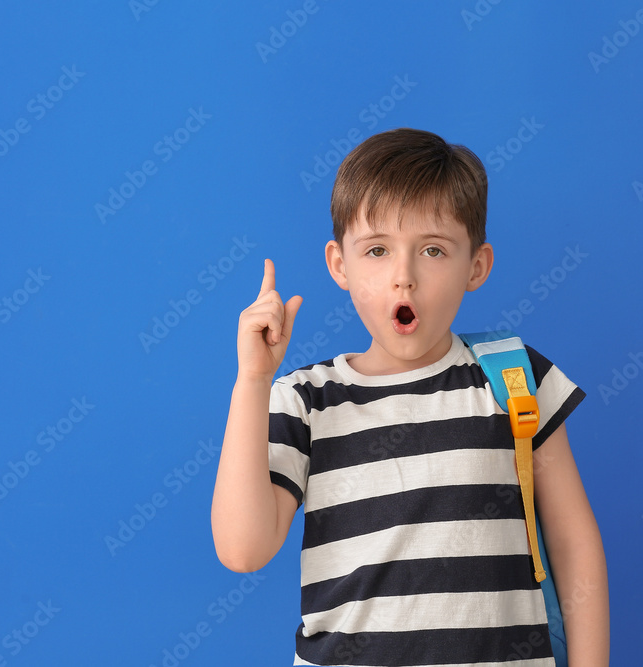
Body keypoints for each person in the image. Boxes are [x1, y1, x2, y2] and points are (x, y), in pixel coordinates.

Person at [211, 128, 609, 666]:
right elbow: (242, 550)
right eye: (377, 250)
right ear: (339, 265)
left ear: (477, 265)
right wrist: (251, 382)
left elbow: (574, 543)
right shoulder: (307, 401)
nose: (404, 278)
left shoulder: (514, 377)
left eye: (433, 250)